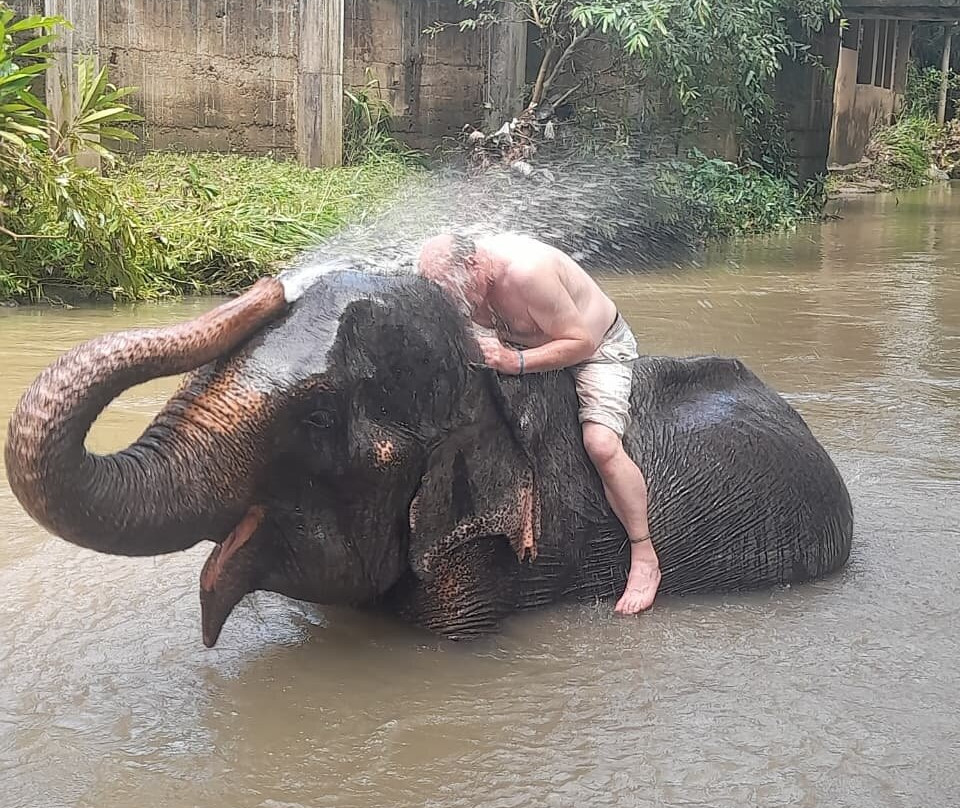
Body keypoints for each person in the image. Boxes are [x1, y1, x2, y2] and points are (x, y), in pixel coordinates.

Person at [416, 232, 661, 615]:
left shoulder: (528, 275)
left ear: (475, 266)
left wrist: (516, 363)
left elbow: (581, 342)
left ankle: (644, 554)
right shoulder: (464, 277)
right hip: (522, 345)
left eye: (458, 296)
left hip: (596, 351)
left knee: (601, 444)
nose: (456, 305)